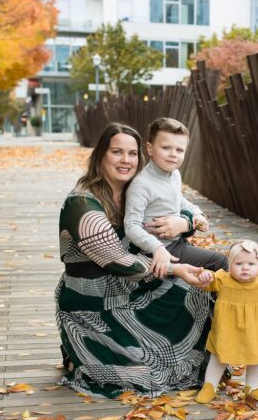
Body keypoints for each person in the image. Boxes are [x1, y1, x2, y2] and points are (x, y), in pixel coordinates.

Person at [55, 122, 213, 398]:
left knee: (197, 295)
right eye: (117, 152)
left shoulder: (134, 190)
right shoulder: (82, 204)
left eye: (132, 153)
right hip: (93, 296)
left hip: (133, 283)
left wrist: (185, 222)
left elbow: (177, 207)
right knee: (140, 373)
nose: (126, 160)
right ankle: (79, 348)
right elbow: (118, 261)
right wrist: (175, 268)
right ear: (101, 154)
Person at [124, 117, 228, 278]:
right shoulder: (142, 184)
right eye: (166, 148)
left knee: (207, 269)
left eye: (179, 150)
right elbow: (131, 225)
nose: (173, 154)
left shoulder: (174, 174)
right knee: (219, 261)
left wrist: (196, 213)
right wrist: (157, 248)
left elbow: (179, 200)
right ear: (150, 149)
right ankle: (224, 302)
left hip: (177, 242)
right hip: (161, 249)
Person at [192, 240, 258, 404]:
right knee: (219, 356)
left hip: (255, 330)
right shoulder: (223, 279)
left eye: (251, 263)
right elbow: (208, 284)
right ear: (230, 264)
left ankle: (253, 386)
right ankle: (209, 386)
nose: (245, 267)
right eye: (238, 263)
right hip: (226, 329)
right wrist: (205, 275)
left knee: (256, 357)